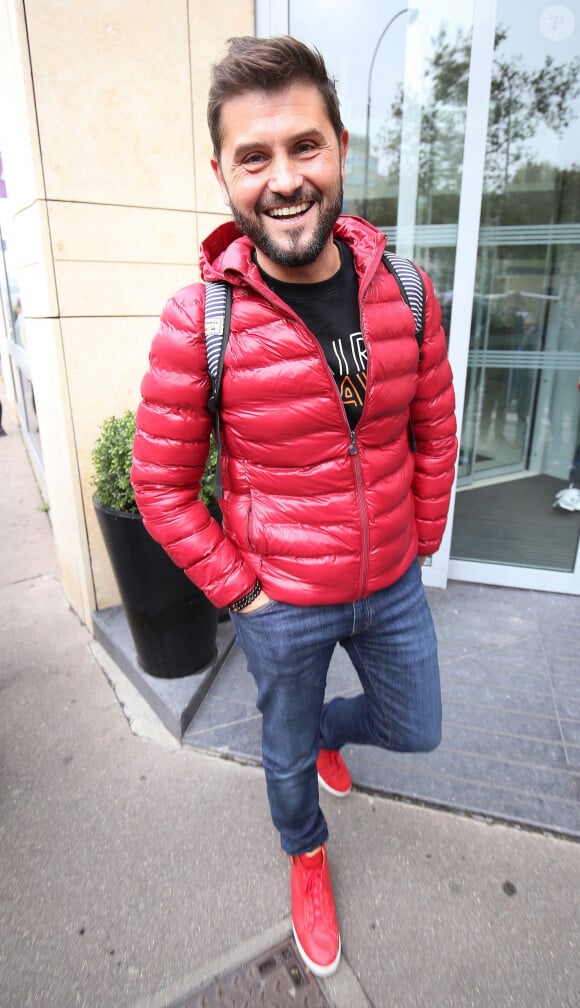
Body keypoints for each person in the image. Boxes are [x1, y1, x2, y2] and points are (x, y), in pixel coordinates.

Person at [132, 35, 457, 978]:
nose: (285, 180)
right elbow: (160, 484)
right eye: (255, 157)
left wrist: (419, 539)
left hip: (390, 580)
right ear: (223, 173)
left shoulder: (406, 288)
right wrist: (245, 592)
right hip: (282, 598)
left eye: (304, 147)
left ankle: (328, 734)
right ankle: (305, 854)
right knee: (279, 762)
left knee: (417, 727)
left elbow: (434, 429)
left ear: (342, 150)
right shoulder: (202, 320)